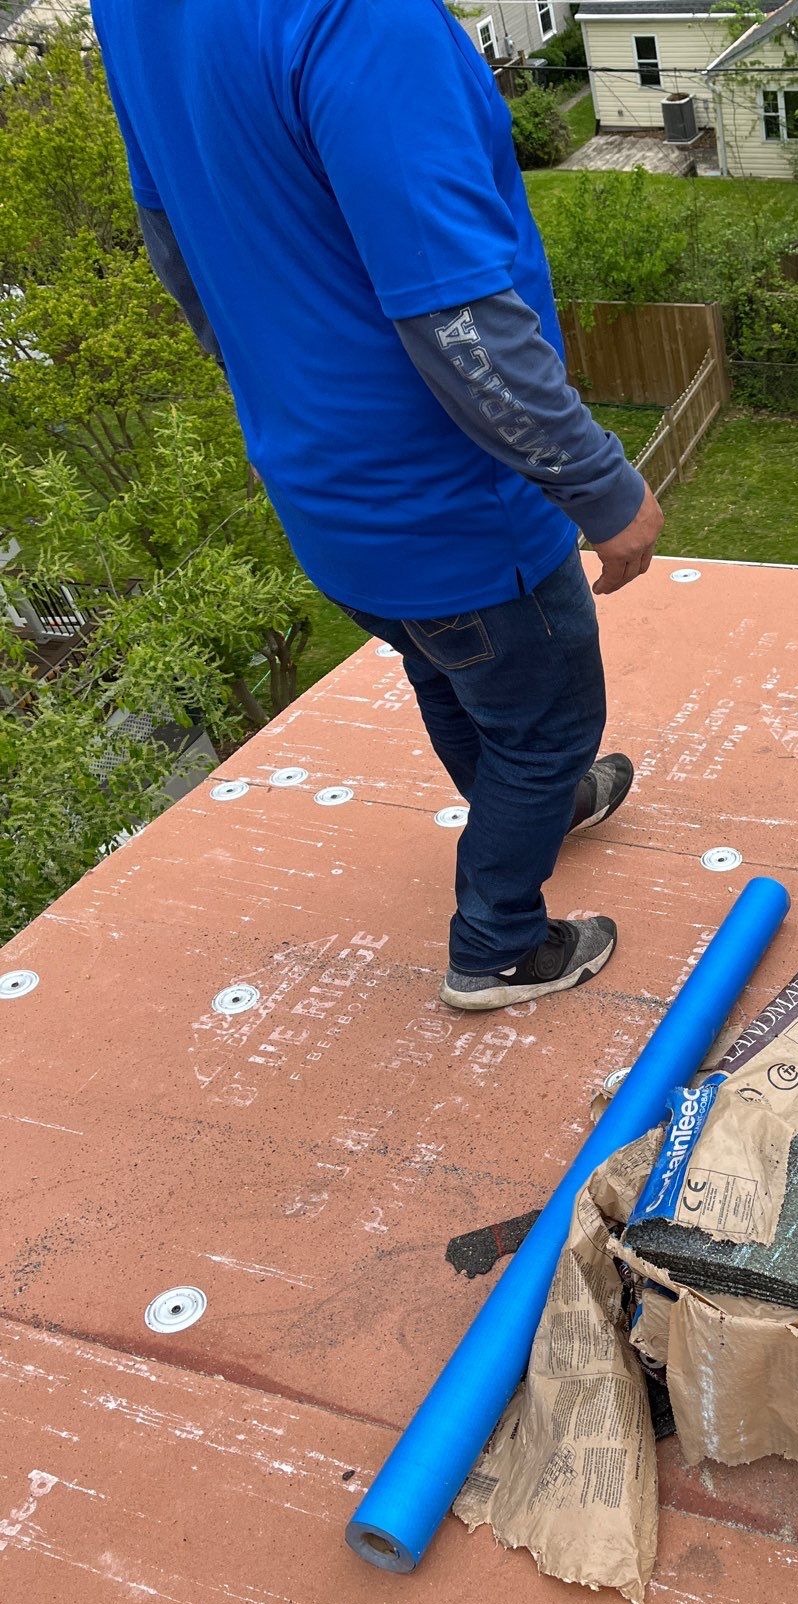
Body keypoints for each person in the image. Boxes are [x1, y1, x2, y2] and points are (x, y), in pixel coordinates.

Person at [91, 0, 664, 1012]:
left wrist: (271, 388)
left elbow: (168, 230)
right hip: (452, 500)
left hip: (329, 494)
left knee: (446, 667)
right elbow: (456, 319)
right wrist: (601, 488)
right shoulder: (363, 18)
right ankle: (499, 942)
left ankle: (541, 809)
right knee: (545, 720)